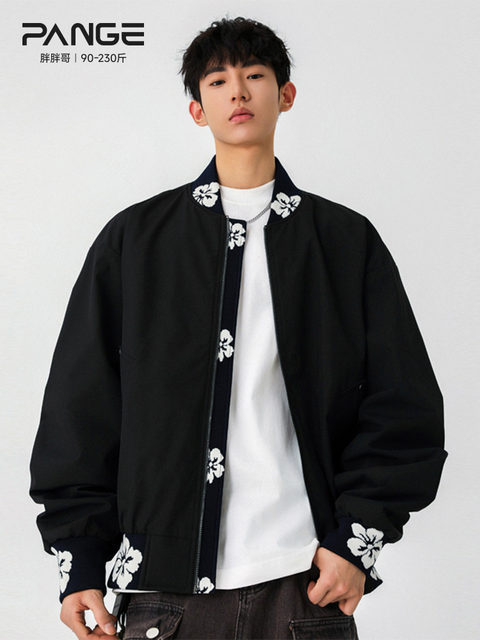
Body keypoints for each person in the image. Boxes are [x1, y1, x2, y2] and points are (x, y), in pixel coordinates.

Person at [29, 15, 448, 640]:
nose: (239, 92)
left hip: (303, 585)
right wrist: (80, 558)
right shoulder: (136, 242)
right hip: (165, 594)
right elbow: (80, 410)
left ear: (286, 94)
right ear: (197, 110)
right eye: (218, 80)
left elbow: (404, 406)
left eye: (254, 75)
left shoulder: (343, 242)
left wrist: (356, 539)